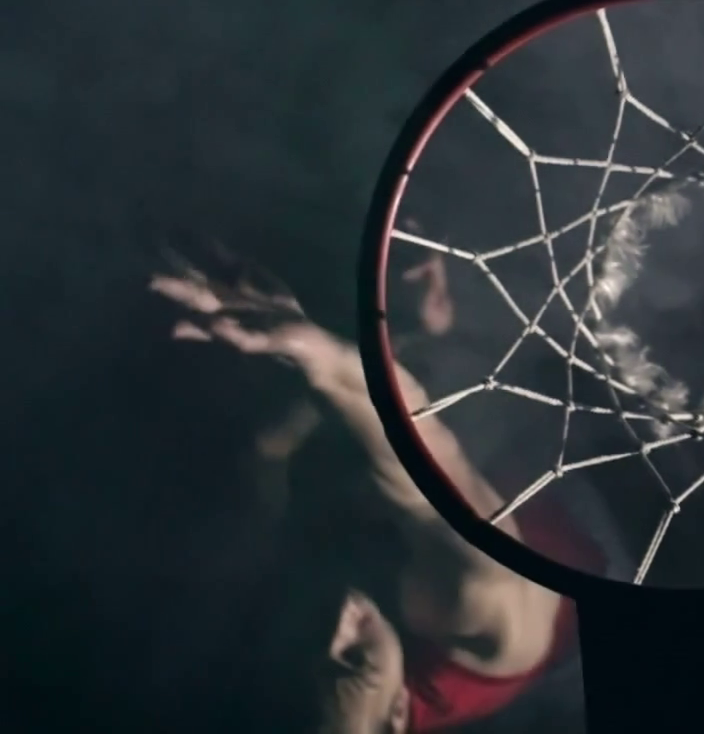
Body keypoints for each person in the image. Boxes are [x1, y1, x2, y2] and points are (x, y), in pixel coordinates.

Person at [152, 252, 592, 732]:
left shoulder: (294, 636)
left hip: (519, 495)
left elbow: (268, 469)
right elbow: (443, 500)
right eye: (352, 660)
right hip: (590, 534)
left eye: (306, 653)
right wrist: (334, 363)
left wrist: (313, 351)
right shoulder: (486, 622)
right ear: (398, 716)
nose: (338, 621)